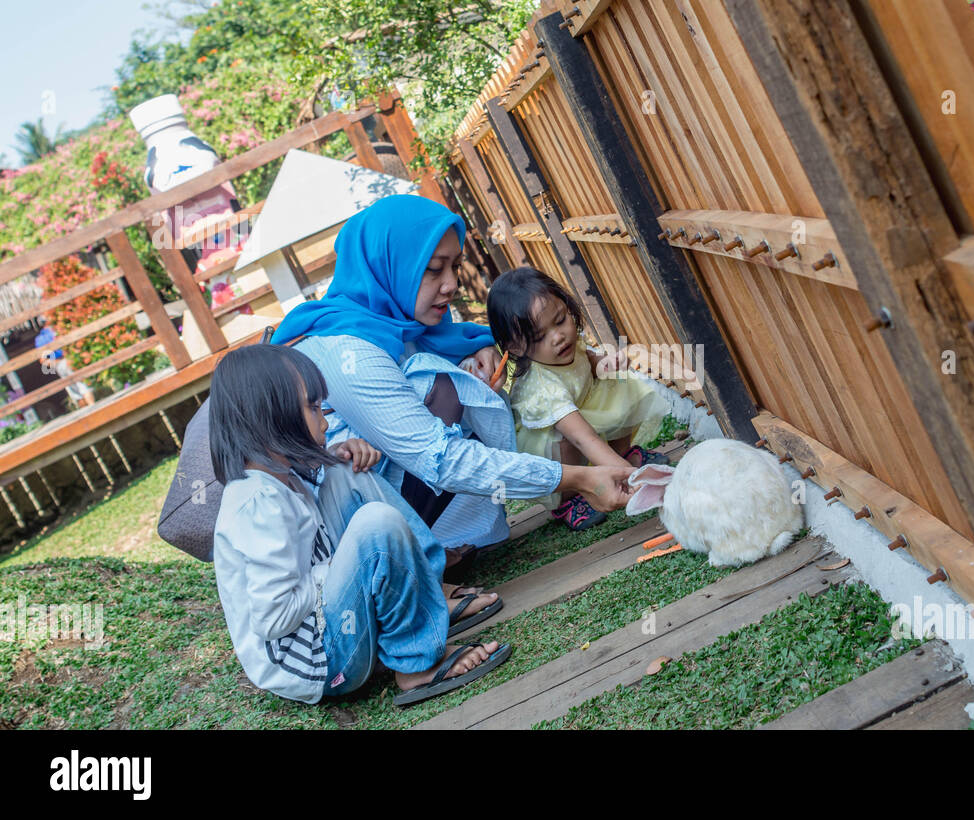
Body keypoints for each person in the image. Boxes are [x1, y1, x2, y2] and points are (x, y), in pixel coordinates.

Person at [270, 195, 633, 576]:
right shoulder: (349, 351)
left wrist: (476, 348)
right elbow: (438, 457)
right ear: (389, 266)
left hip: (387, 504)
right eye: (432, 270)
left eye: (455, 266)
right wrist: (582, 478)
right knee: (442, 388)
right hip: (340, 546)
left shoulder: (394, 325)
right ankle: (409, 569)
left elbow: (454, 339)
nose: (451, 285)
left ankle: (430, 553)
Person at [208, 344, 511, 707]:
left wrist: (334, 459)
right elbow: (274, 619)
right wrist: (340, 569)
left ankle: (431, 594)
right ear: (269, 416)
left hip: (335, 625)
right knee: (374, 526)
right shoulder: (256, 505)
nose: (323, 420)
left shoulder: (280, 476)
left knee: (345, 471)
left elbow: (316, 530)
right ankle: (416, 666)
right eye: (313, 407)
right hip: (323, 662)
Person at [488, 267, 669, 530]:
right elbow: (582, 438)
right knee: (566, 441)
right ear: (516, 347)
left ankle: (622, 455)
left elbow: (590, 363)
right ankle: (569, 497)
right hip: (549, 446)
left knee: (618, 383)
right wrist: (636, 480)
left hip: (580, 415)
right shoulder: (542, 387)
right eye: (539, 336)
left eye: (561, 320)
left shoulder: (569, 344)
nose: (558, 336)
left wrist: (607, 364)